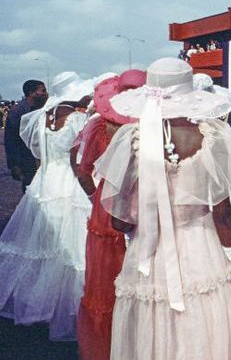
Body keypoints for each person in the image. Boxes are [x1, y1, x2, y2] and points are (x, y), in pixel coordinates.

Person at [95, 58, 231, 359]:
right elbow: (222, 214)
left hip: (150, 250)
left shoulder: (130, 139)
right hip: (202, 248)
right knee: (202, 328)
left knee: (153, 330)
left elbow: (119, 221)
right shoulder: (212, 136)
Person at [0, 72, 92, 340]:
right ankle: (64, 305)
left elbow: (38, 153)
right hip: (68, 179)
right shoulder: (76, 119)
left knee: (40, 241)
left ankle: (36, 300)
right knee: (70, 244)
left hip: (45, 179)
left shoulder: (40, 119)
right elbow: (81, 156)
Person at [75, 70, 146, 360]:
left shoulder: (99, 125)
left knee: (105, 286)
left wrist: (97, 198)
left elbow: (83, 171)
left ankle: (107, 349)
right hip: (144, 203)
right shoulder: (152, 124)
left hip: (107, 207)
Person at [4, 80, 48, 192]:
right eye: (43, 91)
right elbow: (11, 141)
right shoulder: (17, 112)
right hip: (26, 161)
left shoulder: (42, 109)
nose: (46, 93)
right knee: (30, 191)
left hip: (40, 159)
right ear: (32, 93)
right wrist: (14, 165)